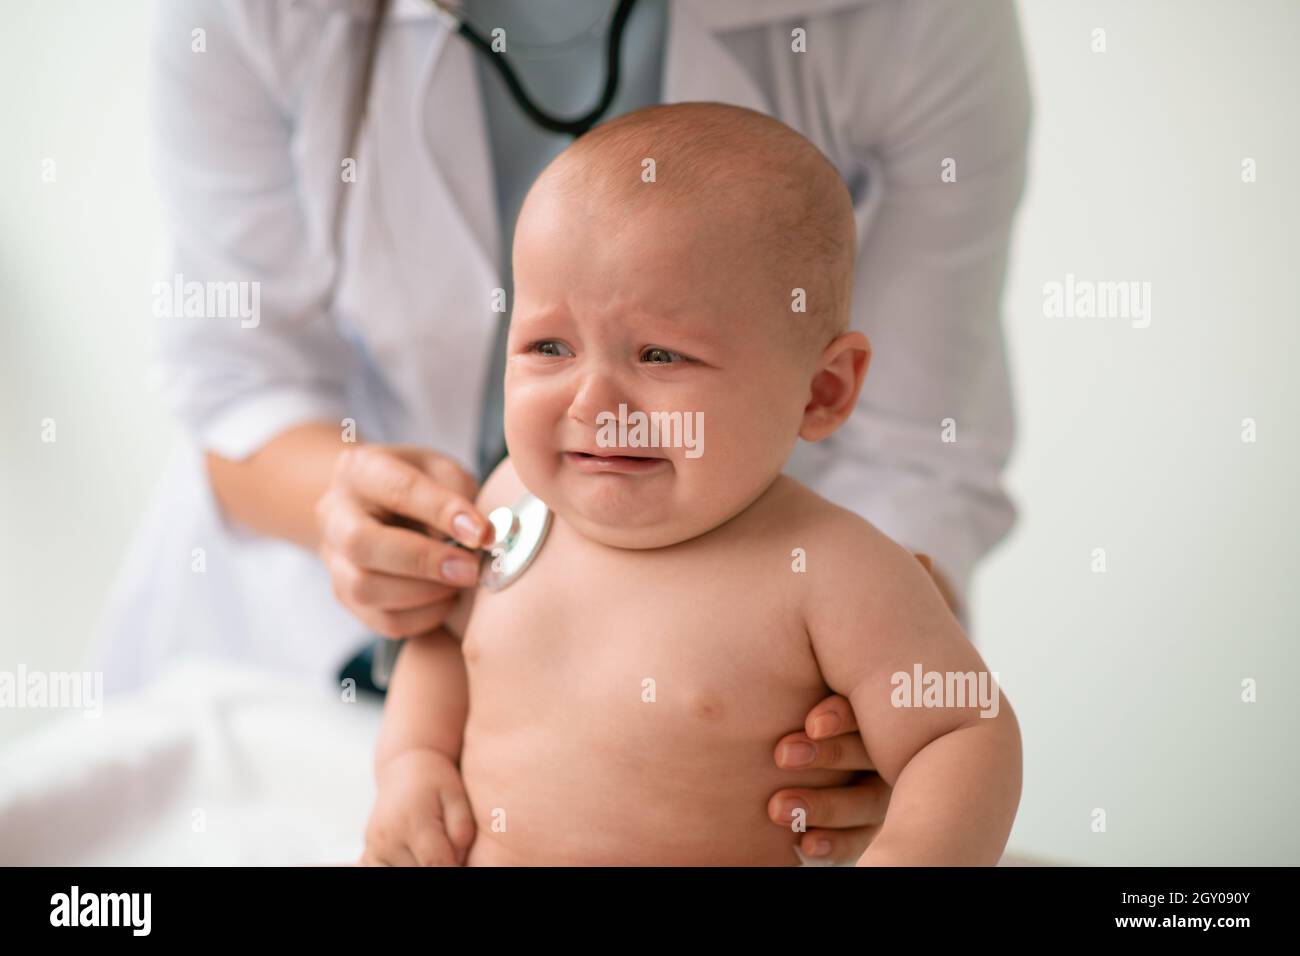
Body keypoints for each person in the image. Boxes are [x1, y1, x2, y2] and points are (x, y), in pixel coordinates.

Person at [94, 0, 1031, 865]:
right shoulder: (509, 506)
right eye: (546, 345)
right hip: (286, 679)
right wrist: (412, 765)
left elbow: (962, 731)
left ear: (823, 390)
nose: (593, 401)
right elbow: (443, 642)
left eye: (661, 356)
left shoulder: (833, 570)